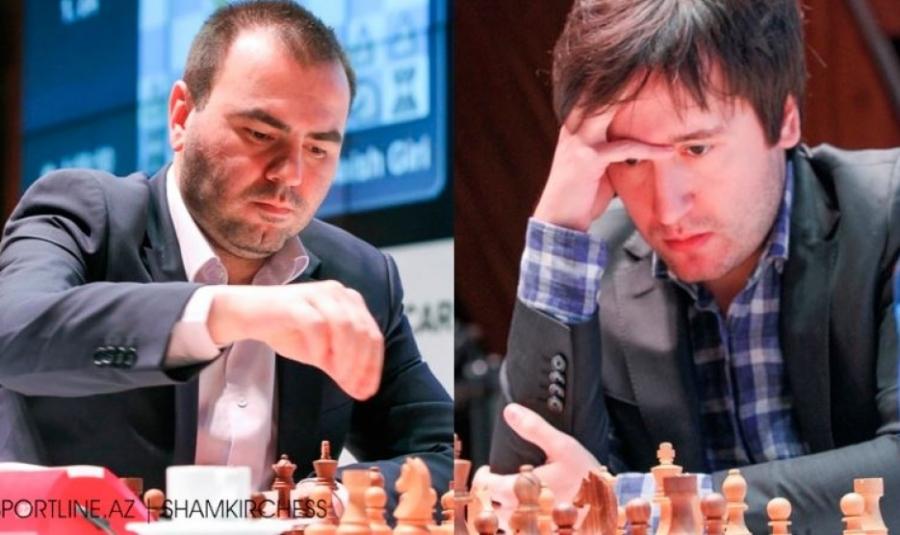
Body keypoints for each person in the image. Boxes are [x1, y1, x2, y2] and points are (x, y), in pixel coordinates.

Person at [0, 0, 451, 509]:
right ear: (180, 116)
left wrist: (332, 501)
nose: (290, 174)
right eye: (260, 134)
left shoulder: (360, 275)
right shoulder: (86, 213)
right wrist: (229, 311)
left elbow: (439, 452)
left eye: (319, 149)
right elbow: (12, 333)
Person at [475, 0, 900, 531]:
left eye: (696, 148)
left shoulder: (888, 216)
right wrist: (557, 232)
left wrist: (645, 507)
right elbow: (534, 494)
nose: (668, 208)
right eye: (631, 158)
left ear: (786, 118)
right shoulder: (593, 267)